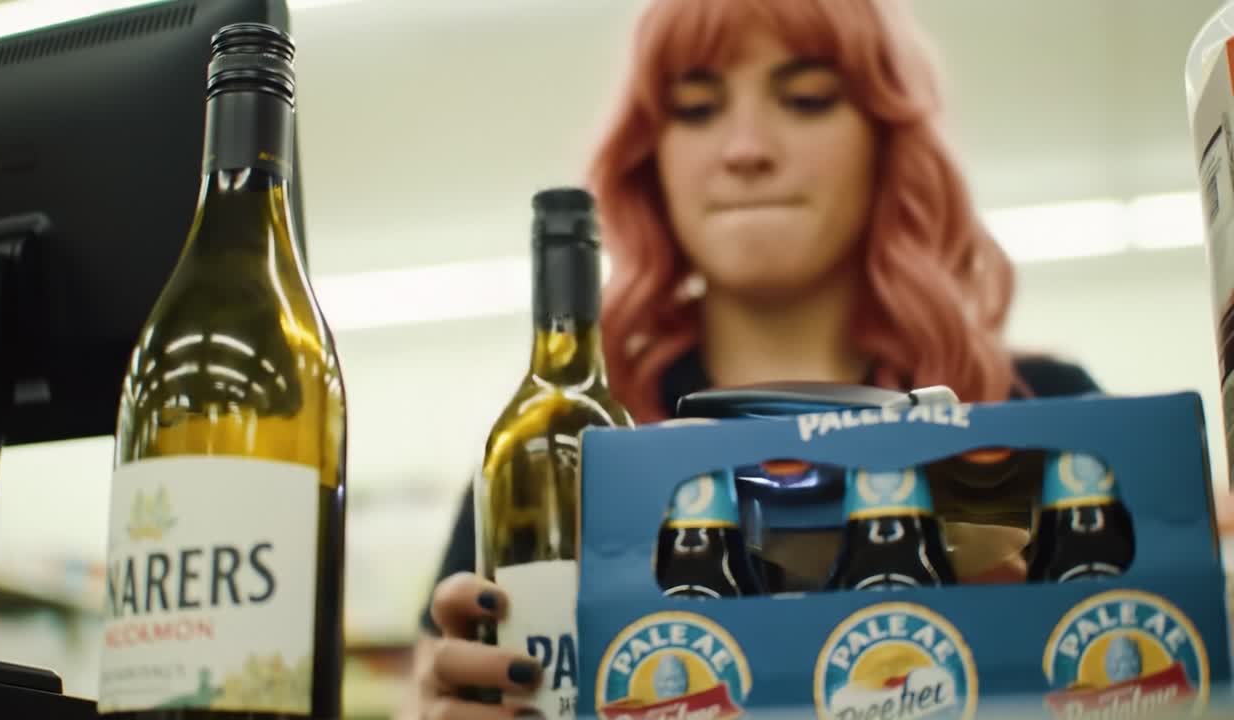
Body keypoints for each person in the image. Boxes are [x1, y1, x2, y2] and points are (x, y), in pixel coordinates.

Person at [400, 0, 1233, 717]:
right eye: (695, 109)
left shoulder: (1047, 416)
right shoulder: (562, 447)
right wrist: (441, 697)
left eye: (805, 98)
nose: (746, 147)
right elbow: (430, 685)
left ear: (885, 141)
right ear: (651, 162)